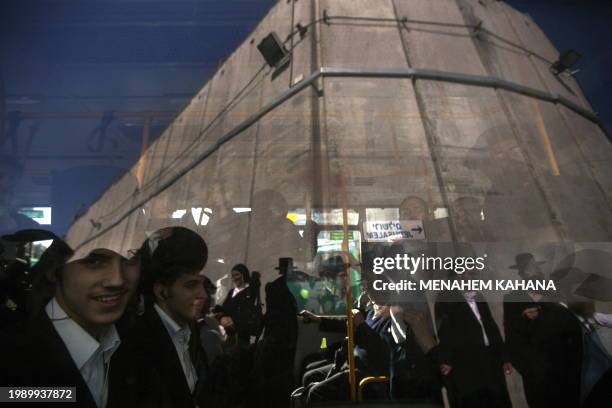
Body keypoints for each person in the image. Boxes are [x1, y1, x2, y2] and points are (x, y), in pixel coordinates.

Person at [0, 229, 140, 408]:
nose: (117, 280)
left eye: (130, 258)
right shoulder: (10, 359)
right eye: (93, 260)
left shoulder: (138, 342)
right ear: (55, 270)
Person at [109, 226, 209, 408]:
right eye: (191, 285)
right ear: (162, 292)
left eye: (201, 284)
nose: (203, 295)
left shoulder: (190, 332)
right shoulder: (133, 347)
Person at [435, 272, 512, 408]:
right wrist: (446, 358)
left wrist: (504, 357)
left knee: (497, 399)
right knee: (475, 399)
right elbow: (444, 330)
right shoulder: (445, 298)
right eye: (467, 275)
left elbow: (491, 326)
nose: (472, 278)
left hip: (490, 358)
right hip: (467, 361)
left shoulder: (479, 296)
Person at [221, 263, 262, 347]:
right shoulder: (232, 292)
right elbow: (225, 308)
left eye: (237, 275)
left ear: (244, 275)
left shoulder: (250, 292)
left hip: (241, 335)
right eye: (233, 275)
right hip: (228, 333)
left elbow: (247, 312)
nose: (235, 278)